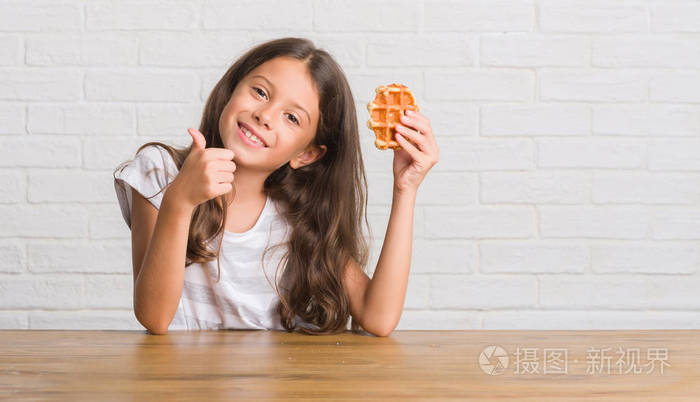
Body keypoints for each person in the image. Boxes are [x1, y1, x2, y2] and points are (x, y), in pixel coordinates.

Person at [113, 37, 439, 337]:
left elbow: (378, 318)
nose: (265, 115)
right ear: (231, 89)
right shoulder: (161, 173)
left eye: (292, 118)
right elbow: (154, 318)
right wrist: (180, 202)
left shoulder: (298, 218)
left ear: (307, 154)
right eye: (260, 92)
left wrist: (405, 190)